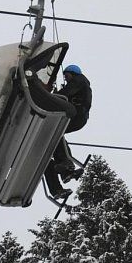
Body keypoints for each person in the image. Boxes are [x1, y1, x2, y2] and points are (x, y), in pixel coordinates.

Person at [44, 64, 92, 199]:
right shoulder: (77, 83)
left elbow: (66, 92)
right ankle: (65, 172)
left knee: (55, 132)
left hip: (76, 115)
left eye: (67, 75)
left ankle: (65, 162)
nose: (65, 78)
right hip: (77, 116)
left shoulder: (80, 80)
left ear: (74, 73)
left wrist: (49, 96)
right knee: (56, 137)